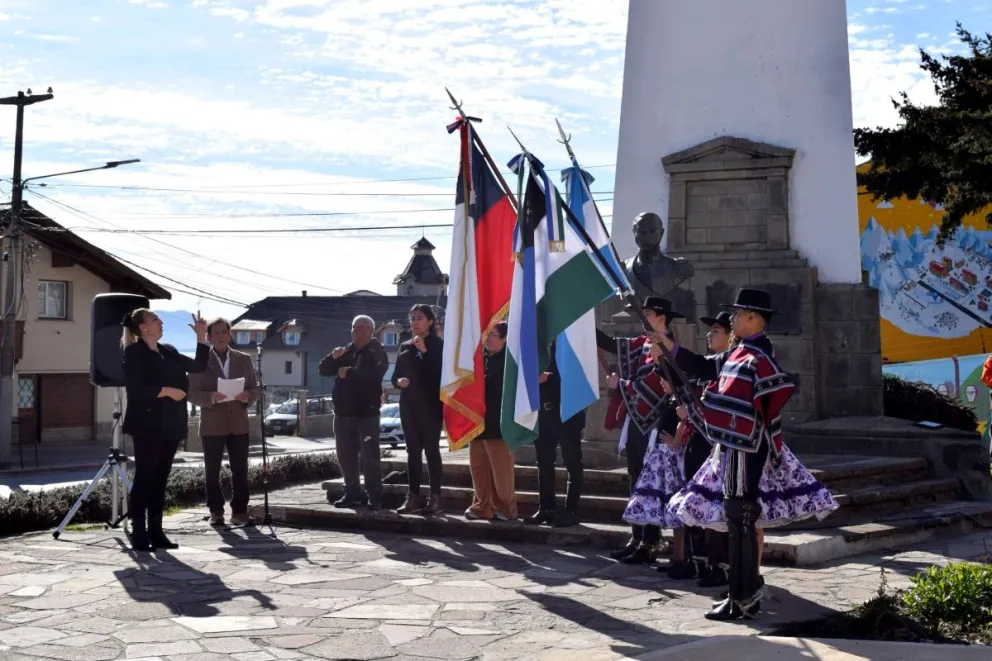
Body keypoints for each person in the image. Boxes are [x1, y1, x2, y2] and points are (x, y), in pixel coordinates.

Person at [654, 288, 838, 621]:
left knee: (741, 519)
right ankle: (741, 593)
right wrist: (668, 346)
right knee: (737, 520)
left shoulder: (758, 357)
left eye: (737, 314)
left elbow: (765, 400)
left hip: (747, 450)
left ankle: (744, 597)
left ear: (753, 318)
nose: (733, 319)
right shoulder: (740, 354)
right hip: (734, 449)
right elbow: (702, 366)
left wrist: (704, 411)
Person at [601, 296, 682, 565]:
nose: (642, 318)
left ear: (662, 317)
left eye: (647, 313)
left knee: (651, 483)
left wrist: (620, 384)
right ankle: (637, 537)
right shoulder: (642, 343)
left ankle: (651, 540)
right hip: (636, 420)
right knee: (635, 479)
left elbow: (656, 384)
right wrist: (582, 326)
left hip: (658, 423)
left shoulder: (668, 346)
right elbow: (614, 346)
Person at [121, 309, 210, 552]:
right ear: (143, 327)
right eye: (155, 320)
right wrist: (167, 391)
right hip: (147, 425)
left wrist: (201, 337)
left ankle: (157, 532)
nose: (161, 323)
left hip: (171, 424)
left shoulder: (168, 350)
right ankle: (139, 532)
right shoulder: (134, 352)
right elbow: (136, 390)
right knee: (145, 478)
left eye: (160, 320)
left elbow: (199, 365)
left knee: (160, 480)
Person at [188, 318, 261, 527]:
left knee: (240, 470)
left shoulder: (244, 359)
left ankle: (239, 511)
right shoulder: (200, 360)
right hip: (212, 423)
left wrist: (248, 395)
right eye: (215, 333)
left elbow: (255, 388)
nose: (220, 336)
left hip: (238, 423)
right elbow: (191, 393)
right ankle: (216, 511)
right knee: (212, 471)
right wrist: (210, 396)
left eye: (224, 332)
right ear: (209, 337)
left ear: (230, 334)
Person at [620, 376, 689, 575]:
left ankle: (680, 556)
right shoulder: (669, 399)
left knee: (675, 506)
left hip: (671, 458)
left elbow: (685, 420)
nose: (661, 383)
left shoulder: (680, 399)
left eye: (664, 380)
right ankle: (674, 554)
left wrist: (676, 440)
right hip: (661, 456)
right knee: (667, 506)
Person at [320, 315, 389, 510]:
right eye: (353, 327)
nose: (355, 331)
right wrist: (332, 357)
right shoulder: (346, 350)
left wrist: (347, 372)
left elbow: (372, 376)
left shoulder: (376, 351)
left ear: (370, 331)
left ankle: (374, 495)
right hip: (343, 413)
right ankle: (352, 492)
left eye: (360, 327)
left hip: (366, 414)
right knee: (345, 455)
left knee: (369, 456)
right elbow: (323, 369)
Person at [392, 304, 444, 515]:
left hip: (430, 405)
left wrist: (425, 351)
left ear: (430, 321)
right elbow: (395, 375)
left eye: (419, 318)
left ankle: (435, 498)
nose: (415, 322)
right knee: (412, 451)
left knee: (431, 450)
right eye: (412, 318)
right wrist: (399, 382)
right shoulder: (405, 345)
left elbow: (440, 375)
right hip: (409, 405)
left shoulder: (438, 345)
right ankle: (413, 496)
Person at [527, 340, 585, 528]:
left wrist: (550, 377)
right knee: (544, 462)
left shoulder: (573, 340)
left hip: (567, 412)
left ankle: (571, 510)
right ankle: (546, 508)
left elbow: (578, 374)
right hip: (544, 414)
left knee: (572, 462)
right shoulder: (539, 343)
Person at [465, 321, 518, 521]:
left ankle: (505, 508)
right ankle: (481, 507)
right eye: (485, 335)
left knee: (501, 471)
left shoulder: (510, 362)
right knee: (478, 469)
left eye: (492, 335)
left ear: (505, 339)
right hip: (478, 423)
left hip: (500, 424)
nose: (487, 339)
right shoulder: (479, 359)